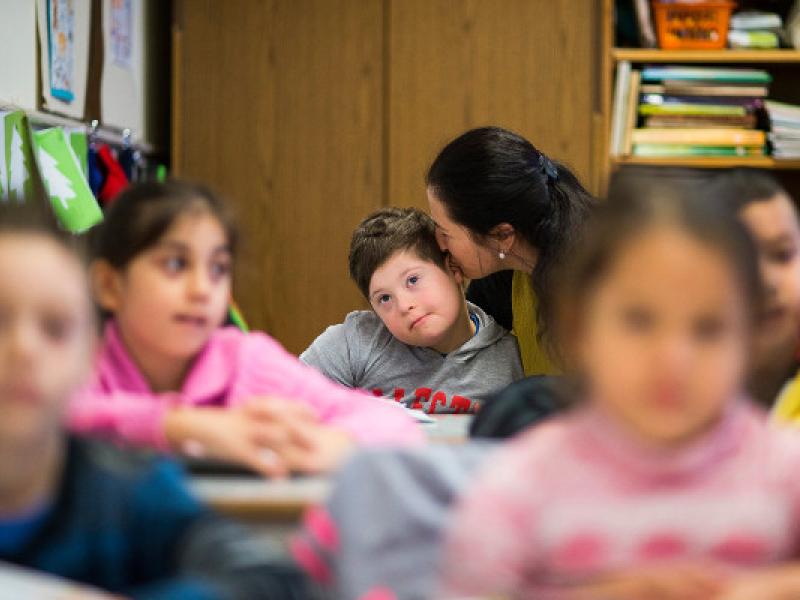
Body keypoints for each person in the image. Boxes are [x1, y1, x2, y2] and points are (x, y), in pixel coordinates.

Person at [439, 175, 800, 599]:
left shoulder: (783, 470)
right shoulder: (522, 484)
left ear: (750, 337)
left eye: (709, 329)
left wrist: (760, 589)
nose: (674, 360)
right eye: (639, 321)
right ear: (580, 328)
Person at [0, 200, 313, 598]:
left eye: (56, 328)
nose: (24, 350)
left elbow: (270, 581)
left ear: (89, 355)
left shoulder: (129, 490)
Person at [69, 181, 421, 478]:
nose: (202, 289)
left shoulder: (248, 363)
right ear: (109, 285)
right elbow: (39, 425)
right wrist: (180, 427)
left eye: (218, 268)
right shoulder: (74, 362)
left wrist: (339, 446)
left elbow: (395, 428)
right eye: (176, 264)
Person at [301, 207, 522, 414]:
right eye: (385, 298)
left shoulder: (511, 358)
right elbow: (288, 404)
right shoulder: (354, 343)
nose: (404, 305)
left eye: (413, 280)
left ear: (452, 268)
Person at [426, 126, 595, 375]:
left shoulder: (606, 274)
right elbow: (462, 366)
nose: (439, 244)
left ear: (503, 236)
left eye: (446, 233)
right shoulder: (501, 273)